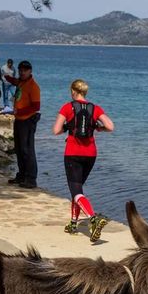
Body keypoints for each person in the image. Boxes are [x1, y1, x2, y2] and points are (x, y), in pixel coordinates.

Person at [52, 79, 115, 242]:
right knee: (78, 189)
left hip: (73, 152)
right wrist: (98, 128)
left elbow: (56, 130)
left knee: (76, 191)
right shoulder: (95, 108)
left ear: (73, 91)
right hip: (91, 153)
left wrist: (67, 126)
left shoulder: (67, 107)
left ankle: (94, 219)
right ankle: (73, 224)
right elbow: (110, 126)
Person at [4, 60, 40, 188]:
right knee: (19, 149)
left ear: (30, 71)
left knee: (27, 150)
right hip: (19, 119)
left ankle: (31, 178)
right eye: (20, 70)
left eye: (25, 70)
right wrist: (4, 76)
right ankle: (22, 175)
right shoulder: (21, 82)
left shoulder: (33, 86)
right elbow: (14, 81)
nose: (22, 72)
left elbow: (36, 106)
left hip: (28, 120)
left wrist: (19, 111)